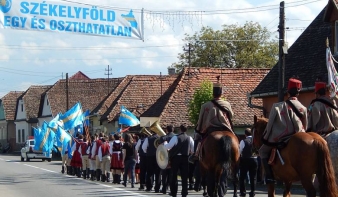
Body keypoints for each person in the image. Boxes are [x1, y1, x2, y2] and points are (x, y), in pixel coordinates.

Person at [259, 78, 307, 184]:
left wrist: (266, 138)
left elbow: (270, 125)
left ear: (288, 92)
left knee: (262, 151)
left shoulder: (278, 107)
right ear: (298, 93)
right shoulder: (304, 108)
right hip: (300, 134)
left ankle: (270, 177)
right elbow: (305, 125)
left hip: (282, 137)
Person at [189, 78, 234, 163]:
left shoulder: (205, 106)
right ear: (221, 93)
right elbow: (231, 116)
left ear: (213, 94)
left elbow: (201, 119)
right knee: (235, 139)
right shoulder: (227, 104)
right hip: (225, 128)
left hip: (210, 129)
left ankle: (195, 154)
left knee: (197, 138)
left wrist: (198, 129)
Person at [164, 124, 194, 197]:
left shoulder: (175, 137)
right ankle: (184, 193)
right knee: (184, 176)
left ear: (180, 129)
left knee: (174, 176)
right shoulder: (189, 138)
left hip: (176, 158)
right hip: (185, 158)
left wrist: (165, 143)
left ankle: (174, 192)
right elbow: (193, 150)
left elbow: (168, 146)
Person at [239, 128, 258, 197]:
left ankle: (243, 192)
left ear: (245, 134)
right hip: (254, 159)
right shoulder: (255, 141)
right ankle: (253, 192)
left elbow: (240, 151)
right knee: (253, 177)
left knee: (243, 177)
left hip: (245, 159)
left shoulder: (243, 141)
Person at [159, 125, 175, 194]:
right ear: (173, 130)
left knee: (164, 174)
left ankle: (164, 189)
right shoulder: (176, 137)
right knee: (171, 174)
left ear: (166, 130)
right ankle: (170, 188)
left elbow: (159, 147)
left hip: (164, 158)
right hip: (173, 157)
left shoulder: (163, 138)